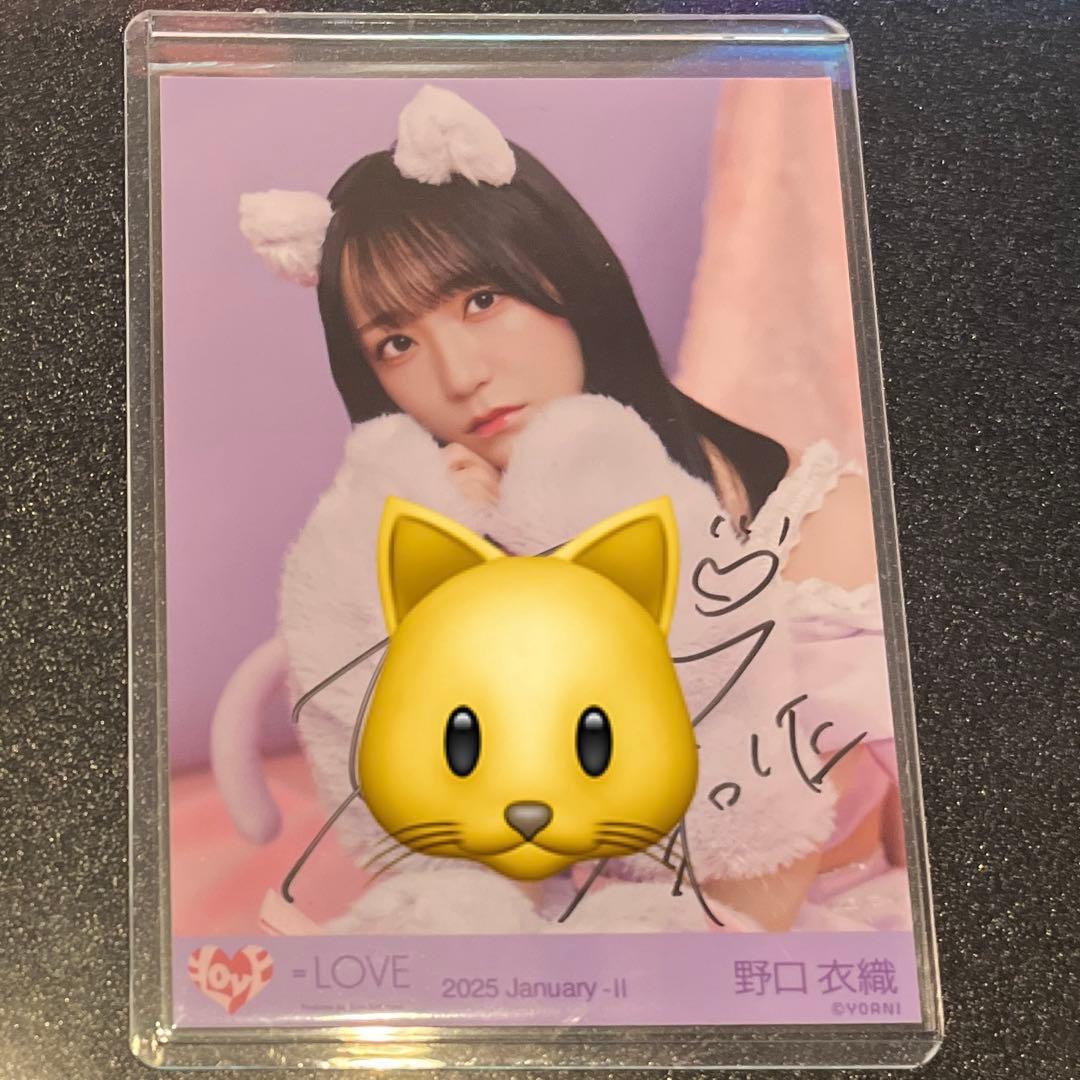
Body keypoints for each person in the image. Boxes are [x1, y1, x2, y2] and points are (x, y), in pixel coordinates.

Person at [219, 86, 902, 934]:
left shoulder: (808, 526)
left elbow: (755, 878)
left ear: (568, 279)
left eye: (481, 301)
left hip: (785, 949)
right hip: (554, 945)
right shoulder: (443, 537)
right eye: (396, 343)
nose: (459, 374)